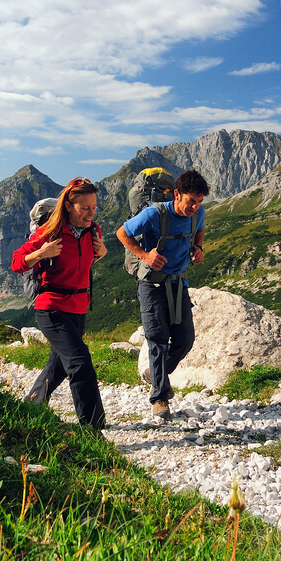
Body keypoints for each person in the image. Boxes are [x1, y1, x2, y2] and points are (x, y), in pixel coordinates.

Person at [11, 177, 108, 428]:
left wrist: (102, 252)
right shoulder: (51, 232)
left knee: (58, 366)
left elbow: (83, 261)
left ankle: (31, 404)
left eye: (94, 207)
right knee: (79, 361)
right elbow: (17, 262)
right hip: (51, 306)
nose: (91, 213)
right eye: (85, 207)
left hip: (78, 307)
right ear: (68, 205)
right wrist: (42, 253)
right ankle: (92, 429)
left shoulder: (93, 231)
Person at [116, 169, 209, 419]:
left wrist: (198, 247)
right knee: (157, 338)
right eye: (191, 200)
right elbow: (122, 233)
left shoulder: (197, 213)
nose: (195, 206)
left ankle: (155, 375)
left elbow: (199, 229)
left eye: (199, 201)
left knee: (185, 340)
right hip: (151, 284)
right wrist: (145, 255)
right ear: (176, 194)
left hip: (179, 282)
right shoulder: (154, 214)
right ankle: (159, 398)